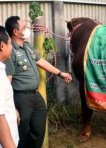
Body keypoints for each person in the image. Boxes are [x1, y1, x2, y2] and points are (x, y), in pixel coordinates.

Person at [5, 16, 72, 148]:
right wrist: (11, 106)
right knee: (20, 133)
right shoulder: (10, 51)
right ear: (15, 32)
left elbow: (41, 61)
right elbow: (7, 81)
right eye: (23, 28)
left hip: (35, 96)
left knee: (38, 130)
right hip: (20, 97)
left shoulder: (28, 47)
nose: (26, 30)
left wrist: (60, 73)